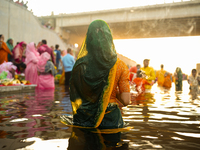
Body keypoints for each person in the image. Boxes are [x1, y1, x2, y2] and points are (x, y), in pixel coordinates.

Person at [65, 20, 130, 128]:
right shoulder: (120, 65)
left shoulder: (80, 65)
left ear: (88, 40)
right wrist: (111, 91)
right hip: (111, 120)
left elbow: (76, 96)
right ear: (109, 39)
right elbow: (126, 100)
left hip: (84, 119)